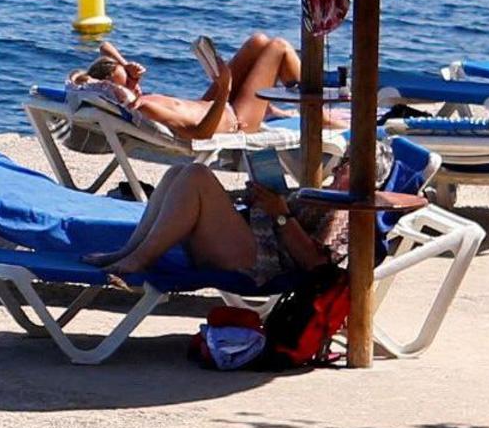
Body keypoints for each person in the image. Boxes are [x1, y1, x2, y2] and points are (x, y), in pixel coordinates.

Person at [92, 158, 374, 286]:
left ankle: (140, 260)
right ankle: (129, 251)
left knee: (197, 175)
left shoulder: (347, 213)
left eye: (348, 164)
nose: (338, 167)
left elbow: (316, 266)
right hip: (249, 243)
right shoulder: (323, 195)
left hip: (263, 265)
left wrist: (279, 213)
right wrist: (263, 202)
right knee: (180, 171)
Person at [69, 33, 303, 144]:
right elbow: (201, 134)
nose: (135, 83)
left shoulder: (129, 97)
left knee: (258, 42)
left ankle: (282, 106)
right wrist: (223, 90)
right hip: (236, 121)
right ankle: (317, 107)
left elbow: (104, 46)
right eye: (128, 84)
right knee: (278, 47)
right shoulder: (146, 107)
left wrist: (124, 65)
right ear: (118, 92)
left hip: (209, 105)